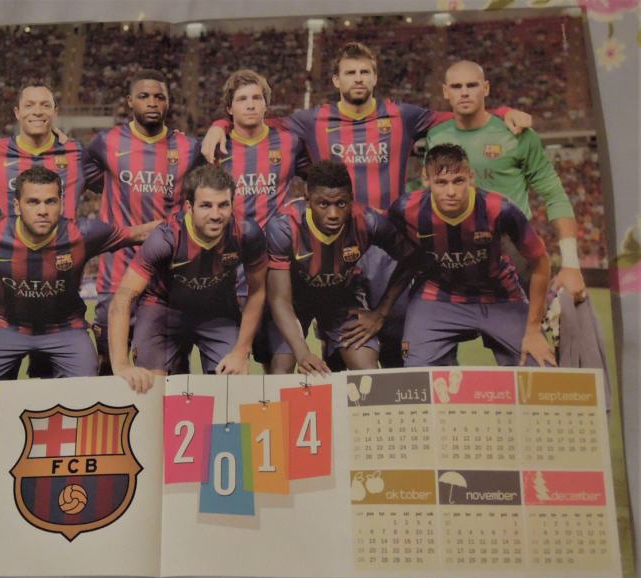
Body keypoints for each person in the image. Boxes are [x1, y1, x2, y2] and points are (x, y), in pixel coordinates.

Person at [201, 42, 531, 368]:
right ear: (336, 80)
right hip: (333, 247)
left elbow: (460, 115)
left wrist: (503, 112)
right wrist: (221, 125)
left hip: (387, 247)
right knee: (340, 343)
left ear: (375, 77)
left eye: (364, 72)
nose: (358, 78)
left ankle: (401, 397)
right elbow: (257, 122)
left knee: (397, 339)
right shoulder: (313, 120)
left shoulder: (402, 115)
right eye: (350, 73)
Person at [0, 167, 154, 380]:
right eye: (33, 202)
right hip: (5, 327)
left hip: (65, 329)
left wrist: (181, 221)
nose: (42, 210)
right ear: (17, 205)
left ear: (61, 204)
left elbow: (138, 233)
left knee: (87, 390)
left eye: (50, 201)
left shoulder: (83, 234)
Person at [427, 59, 587, 301]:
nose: (464, 92)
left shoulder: (517, 134)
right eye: (457, 86)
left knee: (526, 323)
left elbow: (555, 195)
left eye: (472, 85)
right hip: (457, 248)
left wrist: (571, 264)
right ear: (445, 91)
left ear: (486, 88)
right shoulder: (436, 136)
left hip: (513, 247)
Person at [389, 144, 555, 367]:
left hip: (499, 296)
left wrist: (533, 329)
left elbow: (540, 260)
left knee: (542, 367)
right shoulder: (405, 209)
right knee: (417, 375)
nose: (451, 192)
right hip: (436, 296)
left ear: (471, 177)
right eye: (441, 182)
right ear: (426, 179)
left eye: (458, 181)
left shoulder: (500, 209)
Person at [109, 165, 267, 393]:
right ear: (189, 207)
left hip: (218, 312)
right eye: (206, 205)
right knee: (151, 391)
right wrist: (121, 365)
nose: (216, 215)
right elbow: (123, 298)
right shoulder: (166, 238)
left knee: (232, 389)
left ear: (233, 204)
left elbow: (258, 291)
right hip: (163, 311)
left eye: (223, 205)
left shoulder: (247, 233)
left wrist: (242, 350)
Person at [84, 69, 201, 374]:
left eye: (159, 97)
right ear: (130, 101)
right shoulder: (105, 142)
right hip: (116, 274)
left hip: (168, 280)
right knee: (108, 365)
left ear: (168, 102)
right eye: (144, 96)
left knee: (171, 370)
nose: (152, 102)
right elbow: (81, 177)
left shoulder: (190, 147)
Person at [0, 81, 84, 377]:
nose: (37, 111)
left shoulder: (77, 153)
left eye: (45, 105)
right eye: (30, 105)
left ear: (55, 112)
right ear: (17, 112)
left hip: (59, 305)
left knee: (54, 398)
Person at [265, 160, 415, 374]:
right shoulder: (284, 227)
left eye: (341, 203)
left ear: (351, 198)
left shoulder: (368, 221)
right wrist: (303, 353)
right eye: (323, 204)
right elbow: (279, 299)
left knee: (366, 369)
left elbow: (411, 257)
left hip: (341, 299)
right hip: (294, 302)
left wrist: (380, 313)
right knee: (281, 369)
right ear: (308, 198)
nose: (333, 214)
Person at [216, 68, 308, 370]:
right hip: (231, 272)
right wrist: (217, 127)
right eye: (242, 99)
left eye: (257, 98)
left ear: (267, 104)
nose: (251, 104)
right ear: (229, 108)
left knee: (280, 366)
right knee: (233, 367)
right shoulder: (216, 148)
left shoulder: (289, 143)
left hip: (278, 269)